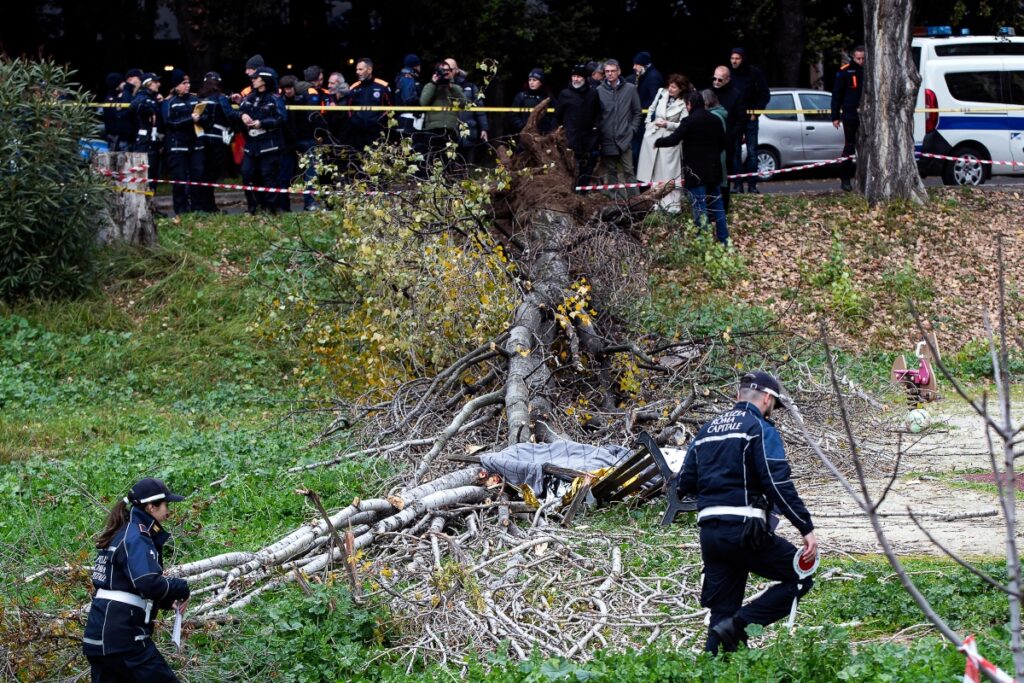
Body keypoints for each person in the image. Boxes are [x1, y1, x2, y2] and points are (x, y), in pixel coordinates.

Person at [676, 371, 818, 655]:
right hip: (746, 531)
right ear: (767, 398)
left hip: (710, 535)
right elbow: (777, 483)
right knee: (801, 575)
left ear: (738, 394)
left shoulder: (706, 431)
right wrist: (805, 527)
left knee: (721, 612)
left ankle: (714, 666)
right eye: (773, 405)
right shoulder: (759, 428)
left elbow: (683, 485)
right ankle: (741, 624)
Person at [82, 478, 191, 682]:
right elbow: (147, 581)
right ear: (151, 507)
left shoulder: (121, 533)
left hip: (99, 636)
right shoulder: (137, 535)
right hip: (125, 639)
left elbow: (125, 584)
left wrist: (167, 601)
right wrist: (181, 588)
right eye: (166, 505)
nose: (168, 511)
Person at [653, 91, 728, 243]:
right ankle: (724, 239)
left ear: (689, 104)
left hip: (695, 172)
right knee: (718, 205)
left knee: (699, 205)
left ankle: (703, 240)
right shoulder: (715, 120)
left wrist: (658, 142)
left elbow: (674, 139)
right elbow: (723, 143)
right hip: (714, 170)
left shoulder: (689, 121)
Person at [636, 73, 691, 212]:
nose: (671, 89)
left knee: (669, 173)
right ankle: (655, 204)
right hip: (653, 135)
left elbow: (684, 124)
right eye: (670, 86)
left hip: (670, 140)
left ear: (681, 89)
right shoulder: (661, 92)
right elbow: (651, 108)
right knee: (652, 171)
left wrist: (668, 125)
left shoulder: (684, 102)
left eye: (674, 87)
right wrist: (648, 123)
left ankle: (671, 206)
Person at [235, 66, 287, 213]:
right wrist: (241, 115)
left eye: (256, 78)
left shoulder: (275, 99)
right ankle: (253, 207)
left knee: (268, 177)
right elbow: (237, 113)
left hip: (269, 145)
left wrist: (262, 123)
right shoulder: (250, 97)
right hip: (251, 146)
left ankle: (271, 209)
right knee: (247, 174)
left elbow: (282, 119)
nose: (253, 80)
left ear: (265, 80)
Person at [162, 69, 207, 219]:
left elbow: (207, 119)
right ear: (176, 86)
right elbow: (169, 123)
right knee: (180, 179)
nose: (188, 85)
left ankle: (197, 208)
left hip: (196, 146)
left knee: (197, 178)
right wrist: (190, 119)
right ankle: (181, 210)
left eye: (188, 82)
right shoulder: (169, 103)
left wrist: (201, 118)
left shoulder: (196, 100)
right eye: (184, 83)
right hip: (177, 146)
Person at [596, 59, 642, 199]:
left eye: (612, 71)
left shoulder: (630, 89)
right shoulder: (599, 90)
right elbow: (596, 113)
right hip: (607, 137)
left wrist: (632, 129)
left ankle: (637, 203)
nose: (609, 74)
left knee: (629, 171)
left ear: (619, 71)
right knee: (610, 171)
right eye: (607, 71)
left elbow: (637, 112)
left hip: (624, 136)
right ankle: (615, 203)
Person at [728, 48, 770, 193]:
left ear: (743, 59)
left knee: (752, 152)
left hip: (750, 117)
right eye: (732, 58)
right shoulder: (729, 74)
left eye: (737, 58)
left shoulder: (754, 73)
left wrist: (756, 113)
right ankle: (737, 185)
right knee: (735, 153)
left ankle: (752, 185)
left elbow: (765, 94)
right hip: (734, 119)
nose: (734, 61)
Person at [554, 64, 601, 188]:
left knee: (587, 167)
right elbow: (557, 115)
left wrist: (596, 127)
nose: (575, 79)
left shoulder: (593, 93)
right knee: (569, 167)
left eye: (578, 76)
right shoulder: (565, 94)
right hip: (570, 138)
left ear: (584, 78)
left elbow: (598, 112)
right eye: (574, 76)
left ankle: (583, 192)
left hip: (588, 139)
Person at [420, 61, 468, 173]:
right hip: (433, 129)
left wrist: (452, 87)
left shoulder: (456, 88)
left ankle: (448, 185)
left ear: (452, 72)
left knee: (449, 161)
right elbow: (423, 103)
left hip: (451, 129)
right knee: (433, 160)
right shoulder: (429, 86)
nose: (445, 74)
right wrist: (433, 83)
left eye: (448, 71)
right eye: (442, 71)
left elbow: (464, 104)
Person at [195, 72, 233, 213]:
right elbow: (230, 116)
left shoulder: (199, 99)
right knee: (212, 174)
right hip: (217, 139)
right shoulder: (220, 98)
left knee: (204, 174)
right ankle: (210, 207)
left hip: (202, 138)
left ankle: (204, 205)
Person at [831, 46, 865, 192]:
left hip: (866, 115)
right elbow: (837, 95)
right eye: (858, 58)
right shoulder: (845, 71)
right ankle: (845, 180)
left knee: (867, 147)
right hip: (850, 114)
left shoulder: (870, 71)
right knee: (849, 147)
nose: (861, 61)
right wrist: (835, 116)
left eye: (863, 58)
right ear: (853, 57)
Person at [445, 58, 490, 167]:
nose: (447, 71)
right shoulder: (439, 86)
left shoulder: (470, 86)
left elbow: (479, 109)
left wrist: (484, 128)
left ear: (456, 70)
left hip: (469, 131)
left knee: (466, 165)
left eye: (450, 69)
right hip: (448, 131)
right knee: (448, 166)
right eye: (444, 69)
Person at [344, 58, 391, 152]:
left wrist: (379, 121)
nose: (357, 72)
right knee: (357, 160)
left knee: (376, 160)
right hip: (357, 132)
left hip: (376, 132)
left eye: (360, 69)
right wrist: (354, 120)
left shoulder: (382, 86)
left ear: (369, 70)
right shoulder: (354, 87)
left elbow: (390, 107)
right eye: (357, 69)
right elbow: (348, 108)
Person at [627, 51, 665, 165]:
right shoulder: (644, 75)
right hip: (641, 118)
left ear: (643, 64)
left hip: (646, 121)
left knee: (639, 151)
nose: (634, 67)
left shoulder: (653, 77)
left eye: (636, 64)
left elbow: (656, 100)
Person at [129, 72, 164, 190]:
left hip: (154, 141)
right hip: (145, 143)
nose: (158, 84)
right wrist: (150, 111)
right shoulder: (142, 96)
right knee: (145, 174)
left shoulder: (154, 97)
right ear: (148, 83)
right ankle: (145, 204)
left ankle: (151, 204)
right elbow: (134, 105)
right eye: (155, 82)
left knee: (154, 174)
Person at [510, 68, 552, 135]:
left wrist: (548, 129)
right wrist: (523, 127)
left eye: (534, 80)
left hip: (544, 134)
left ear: (541, 82)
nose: (531, 82)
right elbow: (513, 116)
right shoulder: (521, 96)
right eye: (529, 80)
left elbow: (555, 115)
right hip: (525, 134)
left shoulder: (548, 97)